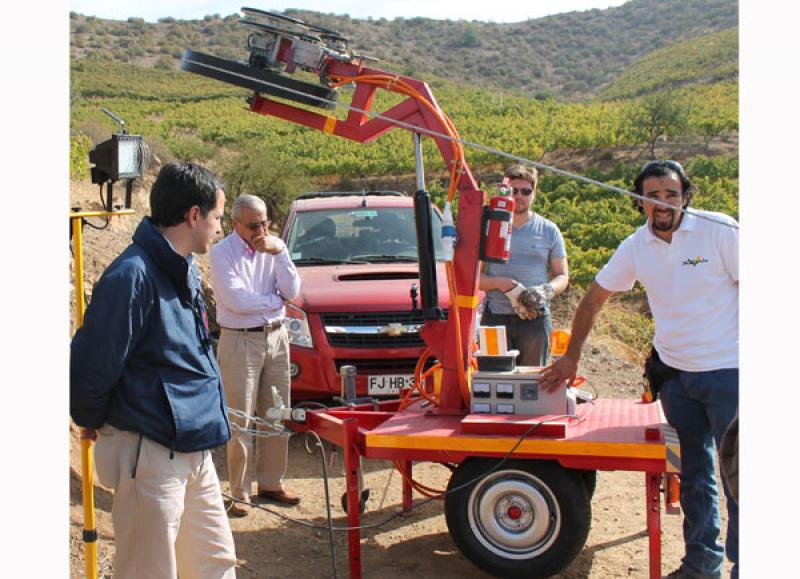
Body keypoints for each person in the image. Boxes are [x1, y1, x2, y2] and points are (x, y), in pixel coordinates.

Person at [540, 160, 739, 579]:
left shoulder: (719, 230)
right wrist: (571, 356)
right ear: (639, 201)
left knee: (741, 474)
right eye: (652, 195)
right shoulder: (636, 246)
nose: (662, 202)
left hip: (730, 375)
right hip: (677, 381)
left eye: (670, 193)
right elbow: (593, 298)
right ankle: (703, 564)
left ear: (686, 195)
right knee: (695, 474)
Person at [70, 162, 236, 579]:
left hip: (194, 449)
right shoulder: (132, 275)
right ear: (193, 216)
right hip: (152, 452)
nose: (220, 227)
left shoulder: (181, 267)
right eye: (217, 217)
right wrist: (91, 418)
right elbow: (94, 363)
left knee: (215, 565)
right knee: (150, 571)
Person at [210, 194, 302, 516]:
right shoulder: (221, 254)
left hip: (277, 337)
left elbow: (292, 291)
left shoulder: (275, 247)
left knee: (277, 411)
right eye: (253, 225)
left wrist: (281, 254)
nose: (261, 230)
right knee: (241, 417)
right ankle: (239, 491)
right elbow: (238, 301)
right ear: (235, 225)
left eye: (265, 222)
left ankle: (271, 482)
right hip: (240, 341)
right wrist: (275, 302)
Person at [479, 164, 569, 366]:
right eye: (513, 191)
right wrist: (503, 284)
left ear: (534, 194)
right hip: (495, 320)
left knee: (533, 384)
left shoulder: (549, 230)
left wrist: (545, 291)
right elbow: (475, 278)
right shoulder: (488, 228)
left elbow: (562, 275)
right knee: (494, 383)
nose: (519, 196)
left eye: (525, 191)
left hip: (535, 321)